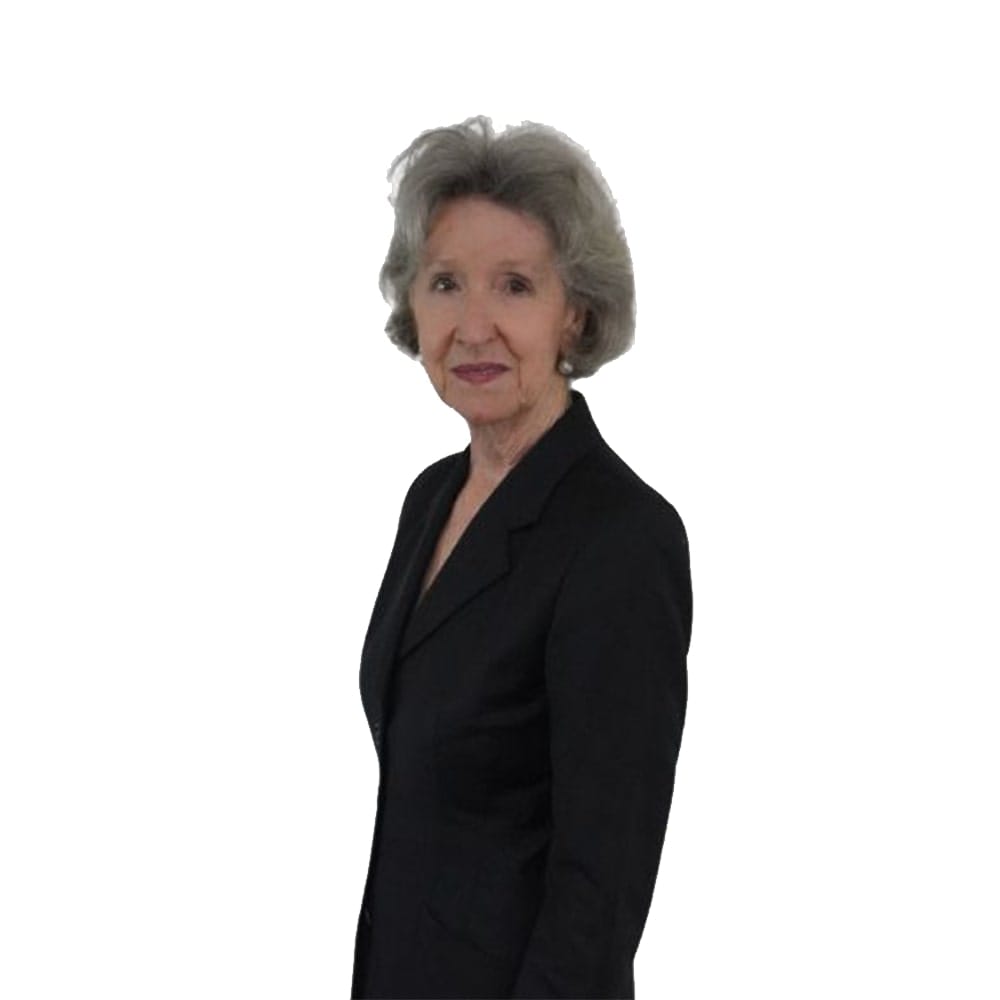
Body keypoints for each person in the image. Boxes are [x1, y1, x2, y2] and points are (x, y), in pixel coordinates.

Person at [351, 116, 693, 1000]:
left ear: (573, 310)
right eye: (445, 283)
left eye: (514, 286)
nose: (474, 326)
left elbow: (598, 896)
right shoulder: (432, 497)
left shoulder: (622, 538)